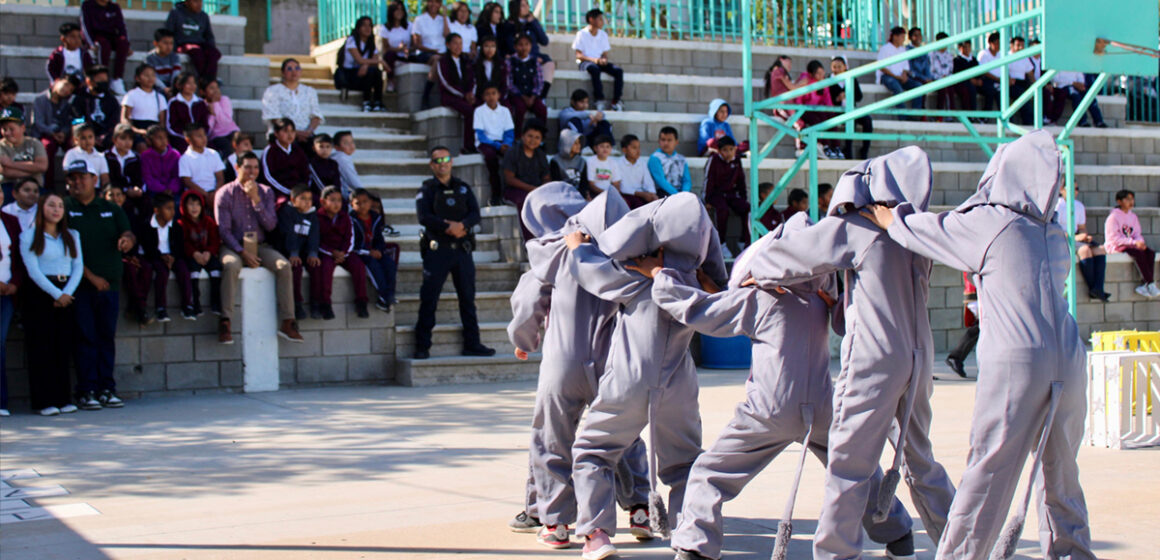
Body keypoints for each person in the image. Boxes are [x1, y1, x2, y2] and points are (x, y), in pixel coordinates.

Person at [861, 130, 1094, 560]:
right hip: (1070, 354)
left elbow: (937, 231)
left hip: (1018, 360)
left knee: (988, 473)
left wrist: (896, 219)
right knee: (1060, 476)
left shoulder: (993, 222)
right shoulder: (1054, 233)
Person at [641, 214, 917, 560]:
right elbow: (847, 318)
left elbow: (699, 310)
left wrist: (660, 275)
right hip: (822, 408)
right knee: (855, 468)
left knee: (709, 474)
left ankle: (696, 548)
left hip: (768, 410)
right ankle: (899, 536)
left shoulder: (760, 299)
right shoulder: (819, 302)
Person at [742, 147, 956, 560]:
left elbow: (793, 254)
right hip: (919, 356)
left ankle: (836, 553)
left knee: (849, 461)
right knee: (920, 459)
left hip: (875, 358)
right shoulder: (914, 226)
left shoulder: (856, 226)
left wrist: (757, 270)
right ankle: (964, 542)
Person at [562, 193, 728, 560]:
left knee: (594, 450)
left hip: (630, 377)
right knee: (685, 462)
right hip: (679, 382)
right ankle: (694, 539)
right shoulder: (695, 281)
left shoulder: (638, 277)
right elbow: (722, 299)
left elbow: (591, 271)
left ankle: (597, 536)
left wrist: (577, 247)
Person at [507, 185, 650, 547]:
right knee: (622, 434)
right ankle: (639, 508)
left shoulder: (548, 252)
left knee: (552, 436)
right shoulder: (614, 243)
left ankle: (555, 521)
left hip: (563, 362)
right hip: (613, 360)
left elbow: (527, 304)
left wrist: (523, 342)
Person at [412, 146, 495, 359]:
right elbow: (424, 217)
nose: (443, 163)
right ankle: (422, 346)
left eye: (446, 159)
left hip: (462, 250)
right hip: (437, 251)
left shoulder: (463, 188)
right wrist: (446, 226)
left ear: (451, 162)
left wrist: (463, 226)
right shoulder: (427, 189)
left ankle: (473, 344)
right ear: (432, 165)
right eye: (437, 160)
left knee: (468, 298)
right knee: (429, 298)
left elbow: (475, 214)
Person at [65, 159, 133, 410]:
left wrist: (126, 239)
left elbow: (128, 233)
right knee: (85, 338)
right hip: (80, 287)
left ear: (95, 179)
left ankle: (107, 388)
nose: (77, 182)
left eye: (82, 177)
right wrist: (91, 277)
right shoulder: (65, 207)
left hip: (111, 286)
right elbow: (66, 249)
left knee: (106, 338)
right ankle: (86, 390)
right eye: (72, 177)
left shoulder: (111, 208)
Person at [214, 151, 303, 344]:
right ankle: (225, 321)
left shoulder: (265, 191)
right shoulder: (224, 193)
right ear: (237, 168)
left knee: (283, 265)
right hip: (233, 246)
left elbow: (271, 225)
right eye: (247, 167)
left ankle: (288, 321)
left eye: (255, 167)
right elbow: (224, 231)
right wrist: (241, 252)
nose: (252, 172)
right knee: (231, 266)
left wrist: (256, 199)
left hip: (260, 244)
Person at [19, 191, 83, 416]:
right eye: (51, 206)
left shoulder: (72, 235)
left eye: (60, 206)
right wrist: (56, 294)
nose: (56, 210)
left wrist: (66, 294)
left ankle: (63, 398)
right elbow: (33, 271)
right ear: (41, 209)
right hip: (41, 293)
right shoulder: (29, 236)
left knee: (62, 347)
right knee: (41, 348)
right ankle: (44, 401)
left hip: (67, 293)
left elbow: (78, 267)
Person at [311, 186, 369, 319]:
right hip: (326, 253)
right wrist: (332, 252)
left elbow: (350, 238)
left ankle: (362, 302)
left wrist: (343, 253)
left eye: (339, 200)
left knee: (358, 266)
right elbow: (316, 240)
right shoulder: (317, 217)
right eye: (332, 200)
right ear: (323, 201)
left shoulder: (345, 217)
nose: (336, 204)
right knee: (325, 268)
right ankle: (325, 304)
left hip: (344, 252)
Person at [133, 192, 192, 321]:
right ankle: (161, 308)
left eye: (173, 209)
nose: (172, 212)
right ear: (157, 210)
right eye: (168, 208)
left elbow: (179, 246)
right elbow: (148, 247)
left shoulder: (176, 226)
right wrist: (162, 256)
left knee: (183, 270)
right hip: (154, 257)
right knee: (162, 272)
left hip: (171, 257)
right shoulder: (146, 226)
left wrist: (172, 257)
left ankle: (187, 305)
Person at [1055, 184, 1110, 301]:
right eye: (1072, 188)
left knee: (1100, 250)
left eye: (1077, 189)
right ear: (1061, 190)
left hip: (1077, 238)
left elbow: (1082, 227)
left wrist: (1085, 236)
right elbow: (1055, 230)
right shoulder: (1057, 205)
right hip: (1063, 239)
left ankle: (1098, 287)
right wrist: (1075, 237)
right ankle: (1094, 288)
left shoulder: (1079, 206)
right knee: (1085, 251)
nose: (1075, 191)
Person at [350, 188, 398, 311]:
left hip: (375, 251)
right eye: (358, 203)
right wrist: (368, 252)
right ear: (352, 205)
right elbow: (353, 243)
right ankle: (383, 296)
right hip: (361, 253)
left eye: (365, 202)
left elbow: (379, 238)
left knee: (390, 264)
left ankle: (390, 295)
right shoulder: (351, 219)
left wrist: (379, 251)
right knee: (374, 267)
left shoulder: (375, 217)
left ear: (370, 202)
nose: (362, 205)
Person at [276, 184, 319, 320]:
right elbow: (289, 233)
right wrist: (293, 252)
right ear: (293, 200)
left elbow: (314, 235)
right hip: (288, 250)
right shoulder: (286, 212)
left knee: (316, 267)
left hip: (304, 251)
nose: (307, 202)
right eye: (303, 199)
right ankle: (297, 303)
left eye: (309, 199)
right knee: (295, 268)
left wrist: (313, 252)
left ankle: (316, 303)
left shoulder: (312, 214)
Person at [1104, 189, 1157, 298]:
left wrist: (1140, 242)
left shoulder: (1133, 217)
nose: (1131, 202)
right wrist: (1133, 242)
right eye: (1127, 199)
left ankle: (1145, 284)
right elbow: (1114, 238)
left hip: (1132, 244)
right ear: (1119, 201)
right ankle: (1150, 283)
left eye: (1132, 199)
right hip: (1116, 246)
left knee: (1150, 253)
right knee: (1139, 253)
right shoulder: (1113, 217)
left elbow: (1137, 233)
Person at [702, 136, 748, 257]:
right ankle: (721, 243)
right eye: (725, 150)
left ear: (735, 149)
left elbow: (741, 182)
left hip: (731, 194)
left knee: (747, 208)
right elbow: (708, 180)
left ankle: (744, 241)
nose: (728, 153)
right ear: (720, 151)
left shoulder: (737, 160)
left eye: (731, 149)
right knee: (722, 210)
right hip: (716, 194)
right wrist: (706, 199)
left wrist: (743, 198)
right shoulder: (714, 160)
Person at [502, 121, 550, 239]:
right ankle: (529, 242)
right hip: (514, 191)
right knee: (526, 201)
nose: (533, 140)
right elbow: (509, 179)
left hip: (535, 191)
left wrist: (543, 190)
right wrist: (532, 189)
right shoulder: (513, 152)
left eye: (537, 137)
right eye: (530, 136)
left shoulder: (541, 155)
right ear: (522, 136)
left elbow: (546, 178)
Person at [32, 76, 79, 193]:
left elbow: (69, 122)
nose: (67, 90)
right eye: (66, 85)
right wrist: (52, 133)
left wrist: (63, 132)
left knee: (74, 149)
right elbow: (38, 123)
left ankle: (74, 186)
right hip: (45, 134)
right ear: (57, 81)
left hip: (62, 135)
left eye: (71, 89)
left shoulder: (67, 104)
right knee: (47, 147)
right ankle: (48, 187)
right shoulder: (40, 100)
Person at [178, 189, 221, 316]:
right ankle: (195, 304)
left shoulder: (209, 222)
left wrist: (209, 252)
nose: (194, 208)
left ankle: (215, 303)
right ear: (184, 206)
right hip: (192, 256)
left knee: (216, 270)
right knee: (194, 273)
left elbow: (215, 241)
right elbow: (183, 242)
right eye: (191, 204)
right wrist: (194, 253)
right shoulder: (181, 224)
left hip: (207, 255)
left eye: (197, 204)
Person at [789, 62, 844, 159]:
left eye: (822, 72)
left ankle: (836, 147)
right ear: (811, 74)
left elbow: (827, 101)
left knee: (831, 117)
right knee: (819, 119)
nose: (821, 75)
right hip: (804, 110)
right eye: (818, 73)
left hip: (818, 109)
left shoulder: (824, 82)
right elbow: (798, 100)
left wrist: (831, 111)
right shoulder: (805, 81)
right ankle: (825, 145)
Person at [501, 0, 554, 98]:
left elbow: (544, 41)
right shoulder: (508, 25)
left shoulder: (532, 23)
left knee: (549, 64)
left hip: (534, 55)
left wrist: (534, 22)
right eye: (522, 5)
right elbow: (508, 44)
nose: (526, 7)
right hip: (518, 57)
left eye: (527, 5)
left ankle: (542, 97)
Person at [472, 84, 515, 206]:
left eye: (493, 93)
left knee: (513, 156)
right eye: (487, 94)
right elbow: (481, 135)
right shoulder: (479, 111)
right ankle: (495, 195)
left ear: (499, 95)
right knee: (491, 159)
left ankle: (509, 193)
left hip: (502, 142)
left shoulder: (505, 111)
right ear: (483, 97)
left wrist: (506, 144)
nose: (491, 96)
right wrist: (497, 146)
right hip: (486, 143)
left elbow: (509, 132)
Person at [572, 9, 623, 111]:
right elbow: (578, 55)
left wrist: (603, 60)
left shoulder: (603, 35)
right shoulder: (581, 34)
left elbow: (604, 54)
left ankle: (616, 101)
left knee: (618, 71)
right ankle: (599, 99)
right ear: (591, 20)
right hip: (585, 62)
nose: (602, 22)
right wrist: (594, 60)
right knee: (595, 70)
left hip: (598, 62)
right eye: (600, 19)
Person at [261, 59, 324, 142]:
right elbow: (274, 117)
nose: (294, 72)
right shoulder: (273, 91)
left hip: (306, 136)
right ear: (283, 72)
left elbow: (316, 116)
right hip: (282, 136)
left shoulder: (309, 91)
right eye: (289, 69)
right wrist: (294, 133)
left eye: (297, 68)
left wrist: (309, 131)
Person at [80, 0, 132, 94]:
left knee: (123, 43)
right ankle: (103, 78)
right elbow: (85, 26)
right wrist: (91, 44)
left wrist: (127, 44)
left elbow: (122, 27)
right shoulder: (87, 5)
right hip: (97, 37)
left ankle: (117, 79)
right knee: (104, 45)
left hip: (111, 36)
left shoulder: (114, 7)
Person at [437, 34, 477, 154]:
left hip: (466, 96)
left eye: (460, 43)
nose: (458, 46)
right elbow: (446, 83)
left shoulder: (466, 61)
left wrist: (471, 93)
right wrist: (463, 95)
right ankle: (467, 146)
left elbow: (473, 79)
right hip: (450, 96)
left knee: (482, 108)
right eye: (455, 43)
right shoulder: (443, 61)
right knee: (470, 111)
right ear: (448, 45)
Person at [340, 16, 387, 113]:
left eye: (370, 25)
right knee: (369, 72)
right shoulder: (351, 40)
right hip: (350, 74)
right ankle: (366, 102)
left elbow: (374, 59)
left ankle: (378, 102)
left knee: (376, 72)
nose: (367, 28)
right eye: (364, 25)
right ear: (358, 28)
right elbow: (359, 60)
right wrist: (380, 62)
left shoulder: (371, 43)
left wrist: (366, 65)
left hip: (364, 72)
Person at [1, 107, 49, 201]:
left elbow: (42, 166)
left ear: (22, 128)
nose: (7, 133)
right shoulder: (1, 146)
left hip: (35, 186)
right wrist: (32, 169)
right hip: (9, 186)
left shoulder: (35, 143)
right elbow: (6, 171)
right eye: (4, 129)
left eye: (11, 129)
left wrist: (11, 164)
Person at [828, 56, 872, 160]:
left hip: (851, 109)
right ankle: (848, 149)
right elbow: (827, 99)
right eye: (834, 67)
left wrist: (848, 94)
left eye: (839, 67)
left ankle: (864, 150)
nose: (837, 70)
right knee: (851, 119)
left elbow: (859, 96)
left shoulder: (851, 78)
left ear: (845, 67)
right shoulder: (828, 80)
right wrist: (837, 99)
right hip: (838, 111)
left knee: (867, 120)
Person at [504, 34, 547, 137]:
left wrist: (532, 97)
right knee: (519, 109)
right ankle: (518, 137)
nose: (523, 48)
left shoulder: (535, 62)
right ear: (515, 47)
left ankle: (540, 137)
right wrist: (523, 96)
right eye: (520, 45)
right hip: (517, 95)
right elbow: (509, 83)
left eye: (526, 44)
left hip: (532, 95)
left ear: (531, 46)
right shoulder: (510, 62)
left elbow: (539, 82)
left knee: (542, 109)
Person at [165, 0, 220, 80]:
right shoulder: (175, 13)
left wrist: (211, 47)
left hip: (200, 44)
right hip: (183, 44)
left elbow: (209, 36)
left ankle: (210, 80)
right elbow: (169, 33)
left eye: (200, 2)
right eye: (195, 2)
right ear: (187, 2)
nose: (199, 4)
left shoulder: (203, 16)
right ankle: (205, 81)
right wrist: (173, 49)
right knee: (197, 53)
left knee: (214, 53)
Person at [71, 65, 121, 151]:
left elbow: (114, 120)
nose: (104, 82)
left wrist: (105, 135)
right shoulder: (79, 99)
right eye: (100, 80)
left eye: (105, 80)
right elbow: (77, 119)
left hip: (106, 137)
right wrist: (90, 135)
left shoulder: (112, 100)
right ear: (89, 81)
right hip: (86, 136)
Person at [877, 26, 923, 117]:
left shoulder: (903, 50)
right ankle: (903, 116)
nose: (903, 40)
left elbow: (906, 66)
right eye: (902, 37)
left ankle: (915, 115)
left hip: (901, 77)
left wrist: (904, 75)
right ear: (895, 37)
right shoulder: (885, 49)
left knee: (918, 86)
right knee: (897, 89)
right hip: (888, 76)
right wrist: (896, 77)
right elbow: (882, 68)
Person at [260, 118, 311, 201]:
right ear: (276, 133)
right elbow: (268, 177)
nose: (290, 135)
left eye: (292, 131)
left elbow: (306, 173)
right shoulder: (270, 151)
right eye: (285, 131)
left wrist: (303, 190)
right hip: (279, 191)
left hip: (300, 191)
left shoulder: (298, 150)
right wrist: (289, 192)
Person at [122, 64, 168, 152]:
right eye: (146, 75)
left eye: (152, 75)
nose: (150, 78)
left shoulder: (160, 97)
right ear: (137, 78)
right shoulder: (131, 95)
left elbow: (162, 121)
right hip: (136, 129)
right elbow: (125, 118)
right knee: (142, 147)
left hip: (154, 130)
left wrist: (157, 134)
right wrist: (137, 131)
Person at [414, 0, 450, 108]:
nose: (434, 4)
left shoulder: (443, 19)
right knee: (437, 60)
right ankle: (426, 94)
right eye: (431, 1)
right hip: (425, 53)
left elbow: (448, 36)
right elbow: (417, 44)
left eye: (437, 2)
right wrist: (432, 51)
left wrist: (444, 17)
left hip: (442, 52)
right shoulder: (419, 20)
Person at [944, 272, 979, 379]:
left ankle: (956, 357)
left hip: (977, 292)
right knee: (983, 327)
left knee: (981, 327)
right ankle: (956, 357)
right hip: (976, 293)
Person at [178, 123, 225, 199]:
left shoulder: (214, 154)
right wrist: (206, 195)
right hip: (195, 195)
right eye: (199, 136)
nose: (204, 138)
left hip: (214, 193)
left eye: (204, 135)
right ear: (188, 139)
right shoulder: (185, 158)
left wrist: (215, 194)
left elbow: (220, 177)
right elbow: (187, 182)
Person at [165, 71, 209, 152]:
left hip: (200, 137)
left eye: (194, 83)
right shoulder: (174, 102)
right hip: (181, 138)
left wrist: (200, 136)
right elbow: (171, 126)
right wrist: (188, 136)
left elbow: (205, 124)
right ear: (179, 85)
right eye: (189, 83)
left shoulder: (200, 103)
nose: (192, 86)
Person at [376, 1, 413, 93]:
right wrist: (399, 49)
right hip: (393, 56)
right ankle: (391, 81)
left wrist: (407, 49)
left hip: (406, 55)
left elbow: (414, 44)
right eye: (396, 10)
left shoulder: (409, 26)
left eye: (401, 9)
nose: (399, 12)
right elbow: (386, 47)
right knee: (389, 55)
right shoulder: (385, 28)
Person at [198, 77, 239, 156]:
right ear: (203, 92)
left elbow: (226, 122)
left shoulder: (224, 100)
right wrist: (212, 114)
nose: (216, 91)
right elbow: (209, 128)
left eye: (217, 87)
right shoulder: (202, 105)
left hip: (231, 131)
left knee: (241, 141)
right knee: (226, 147)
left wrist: (215, 104)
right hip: (216, 136)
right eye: (211, 88)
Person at [63, 122, 111, 188]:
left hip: (95, 190)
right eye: (83, 138)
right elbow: (67, 174)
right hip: (76, 189)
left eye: (90, 137)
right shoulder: (71, 154)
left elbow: (104, 178)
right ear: (76, 140)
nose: (88, 141)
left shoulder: (100, 156)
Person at [648, 126, 691, 197]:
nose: (666, 143)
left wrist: (684, 194)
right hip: (663, 192)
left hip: (681, 193)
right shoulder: (655, 158)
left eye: (669, 140)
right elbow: (661, 181)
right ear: (659, 141)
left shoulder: (682, 159)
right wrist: (678, 195)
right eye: (663, 140)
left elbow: (687, 180)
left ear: (676, 142)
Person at [616, 134, 656, 209]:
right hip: (628, 195)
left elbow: (648, 182)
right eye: (634, 148)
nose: (638, 151)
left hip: (642, 194)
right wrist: (641, 194)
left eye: (639, 147)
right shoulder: (618, 164)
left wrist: (652, 194)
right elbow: (622, 187)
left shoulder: (642, 163)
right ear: (624, 150)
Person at [141, 124, 181, 196]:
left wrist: (171, 189)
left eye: (164, 137)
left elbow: (176, 177)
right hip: (154, 191)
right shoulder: (145, 156)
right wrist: (162, 190)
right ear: (150, 140)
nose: (163, 141)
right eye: (158, 138)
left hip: (172, 192)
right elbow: (148, 178)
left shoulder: (175, 155)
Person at [548, 128, 588, 197]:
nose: (579, 145)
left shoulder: (582, 161)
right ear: (566, 143)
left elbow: (583, 183)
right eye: (575, 143)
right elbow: (556, 183)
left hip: (578, 195)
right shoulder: (555, 161)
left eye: (579, 143)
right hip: (562, 195)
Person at [1005, 36, 1034, 125]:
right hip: (1011, 85)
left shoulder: (1025, 57)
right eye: (1018, 45)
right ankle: (1028, 123)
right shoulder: (1006, 57)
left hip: (1023, 83)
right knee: (1023, 98)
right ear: (1011, 46)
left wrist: (1035, 87)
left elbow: (1030, 74)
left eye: (1022, 45)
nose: (1020, 48)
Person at [145, 29, 181, 95]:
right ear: (156, 43)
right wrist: (164, 88)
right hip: (157, 86)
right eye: (165, 43)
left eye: (171, 43)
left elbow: (176, 75)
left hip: (171, 86)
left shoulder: (174, 57)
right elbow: (153, 78)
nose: (169, 47)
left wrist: (172, 88)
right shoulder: (150, 58)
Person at [976, 32, 1006, 112]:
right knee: (991, 91)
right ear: (990, 43)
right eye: (996, 43)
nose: (998, 46)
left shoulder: (1001, 54)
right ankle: (984, 117)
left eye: (1000, 43)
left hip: (1000, 82)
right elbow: (984, 71)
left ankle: (1007, 118)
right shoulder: (983, 54)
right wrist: (997, 79)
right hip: (987, 81)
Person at [309, 134, 342, 198]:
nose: (325, 150)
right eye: (321, 147)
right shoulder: (311, 164)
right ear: (314, 148)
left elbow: (337, 183)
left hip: (332, 196)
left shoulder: (333, 164)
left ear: (332, 148)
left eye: (328, 147)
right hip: (317, 196)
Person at [952, 40, 981, 112]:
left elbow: (979, 73)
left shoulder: (974, 60)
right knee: (969, 90)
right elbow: (957, 74)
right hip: (963, 84)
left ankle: (984, 117)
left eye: (969, 47)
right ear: (960, 48)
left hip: (974, 83)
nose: (967, 49)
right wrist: (970, 80)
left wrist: (978, 80)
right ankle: (970, 114)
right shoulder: (957, 60)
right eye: (965, 47)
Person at [474, 36, 506, 102]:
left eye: (493, 46)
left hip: (498, 97)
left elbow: (504, 84)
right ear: (482, 48)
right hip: (481, 97)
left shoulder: (502, 64)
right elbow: (475, 83)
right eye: (486, 46)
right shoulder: (476, 64)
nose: (489, 49)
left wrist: (498, 97)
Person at [330, 130, 362, 197]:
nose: (351, 145)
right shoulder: (342, 158)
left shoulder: (340, 156)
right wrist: (363, 193)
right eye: (346, 143)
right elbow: (353, 181)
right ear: (336, 147)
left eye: (352, 142)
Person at [929, 32, 955, 114]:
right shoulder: (932, 54)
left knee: (950, 89)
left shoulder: (949, 55)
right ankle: (939, 115)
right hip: (936, 79)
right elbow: (931, 70)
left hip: (947, 79)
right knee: (942, 89)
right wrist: (939, 77)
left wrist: (947, 77)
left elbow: (950, 69)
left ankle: (951, 115)